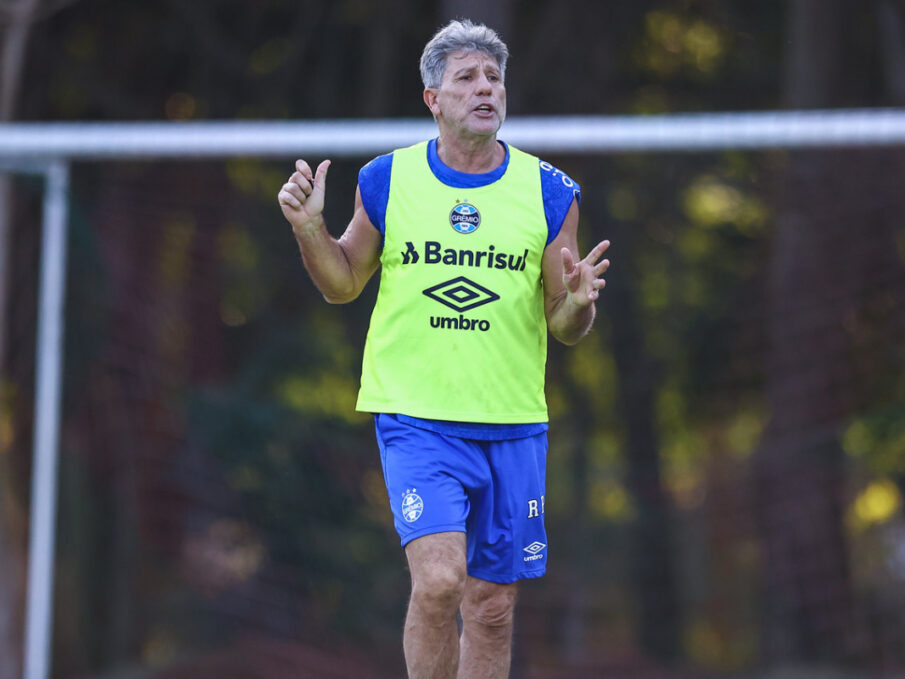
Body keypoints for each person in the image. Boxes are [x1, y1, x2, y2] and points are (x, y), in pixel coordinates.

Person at [278, 18, 610, 679]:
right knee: (438, 580)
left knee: (490, 605)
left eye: (493, 77)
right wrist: (310, 229)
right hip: (417, 418)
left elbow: (564, 320)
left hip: (512, 423)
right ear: (433, 98)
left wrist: (575, 308)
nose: (484, 89)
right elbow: (342, 282)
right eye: (466, 78)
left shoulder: (547, 192)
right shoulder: (387, 179)